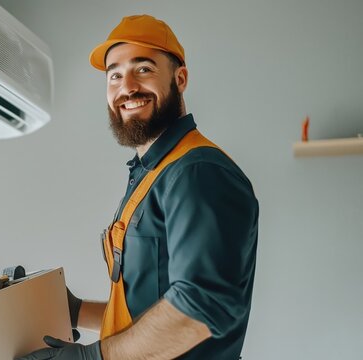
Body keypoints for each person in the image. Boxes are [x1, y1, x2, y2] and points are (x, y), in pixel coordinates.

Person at [18, 14, 259, 360]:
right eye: (114, 74)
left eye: (143, 69)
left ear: (180, 78)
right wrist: (76, 311)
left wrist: (93, 357)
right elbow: (151, 314)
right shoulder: (153, 172)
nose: (126, 87)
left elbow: (200, 309)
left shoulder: (197, 172)